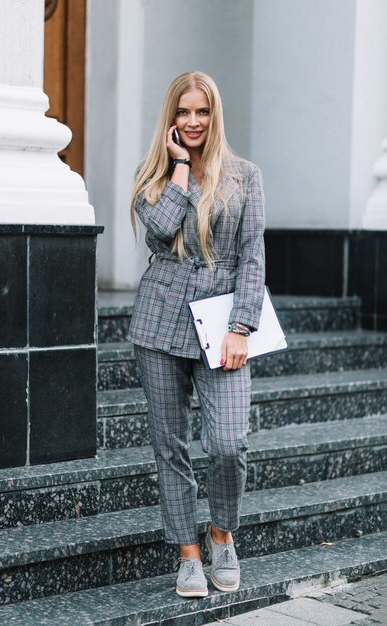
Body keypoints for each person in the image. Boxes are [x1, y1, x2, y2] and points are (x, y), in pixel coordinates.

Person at [127, 71, 265, 598]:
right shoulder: (153, 174)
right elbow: (161, 230)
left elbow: (252, 255)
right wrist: (181, 168)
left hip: (222, 323)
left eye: (201, 112)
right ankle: (187, 554)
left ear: (214, 115)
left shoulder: (245, 176)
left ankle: (221, 535)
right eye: (182, 112)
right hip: (159, 322)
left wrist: (240, 326)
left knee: (228, 443)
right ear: (170, 118)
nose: (192, 121)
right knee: (171, 446)